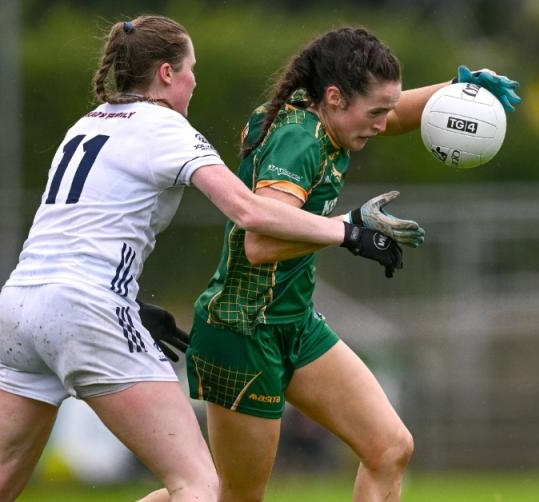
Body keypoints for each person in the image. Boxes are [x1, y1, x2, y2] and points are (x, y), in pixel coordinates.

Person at [0, 17, 407, 502]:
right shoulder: (166, 128)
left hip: (21, 305)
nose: (195, 81)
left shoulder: (86, 124)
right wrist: (347, 232)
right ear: (166, 74)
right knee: (200, 486)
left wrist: (128, 301)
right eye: (191, 69)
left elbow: (83, 229)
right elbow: (251, 212)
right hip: (88, 309)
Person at [179, 27, 521, 502]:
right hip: (244, 329)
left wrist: (456, 93)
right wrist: (349, 230)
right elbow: (258, 244)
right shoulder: (299, 141)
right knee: (234, 498)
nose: (383, 124)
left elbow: (394, 111)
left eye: (385, 110)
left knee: (389, 448)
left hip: (293, 322)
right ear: (336, 98)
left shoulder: (322, 109)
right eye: (375, 113)